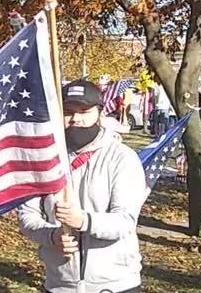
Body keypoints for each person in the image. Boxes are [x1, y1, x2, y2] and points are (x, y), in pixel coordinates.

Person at [18, 80, 146, 293]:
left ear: (100, 113)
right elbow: (27, 216)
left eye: (84, 111)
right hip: (60, 283)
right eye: (68, 111)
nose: (76, 118)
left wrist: (84, 220)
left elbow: (125, 221)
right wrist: (51, 236)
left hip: (116, 284)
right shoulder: (44, 159)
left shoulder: (122, 158)